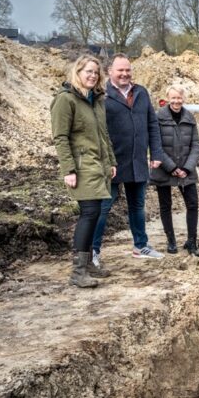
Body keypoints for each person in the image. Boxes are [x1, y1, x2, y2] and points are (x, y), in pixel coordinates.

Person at [91, 54, 166, 264]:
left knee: (137, 206)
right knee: (103, 207)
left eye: (127, 70)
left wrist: (156, 153)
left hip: (137, 160)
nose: (125, 74)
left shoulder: (141, 92)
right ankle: (92, 250)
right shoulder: (101, 95)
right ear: (110, 72)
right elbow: (97, 130)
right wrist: (104, 159)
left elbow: (152, 123)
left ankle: (140, 246)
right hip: (113, 162)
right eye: (120, 70)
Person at [50, 55, 117, 287]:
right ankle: (78, 272)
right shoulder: (65, 100)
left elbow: (103, 135)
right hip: (81, 165)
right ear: (77, 73)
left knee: (96, 212)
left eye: (96, 72)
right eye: (88, 71)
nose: (92, 76)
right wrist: (68, 168)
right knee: (89, 213)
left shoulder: (96, 100)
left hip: (98, 165)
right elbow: (60, 137)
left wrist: (111, 162)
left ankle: (87, 264)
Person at [149, 85, 199, 256]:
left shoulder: (190, 117)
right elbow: (156, 145)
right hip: (165, 169)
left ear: (183, 98)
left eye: (179, 98)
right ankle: (171, 240)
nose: (176, 101)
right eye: (173, 98)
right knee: (166, 205)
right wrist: (171, 167)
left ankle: (191, 241)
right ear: (167, 98)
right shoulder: (158, 117)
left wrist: (187, 168)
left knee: (193, 204)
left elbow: (196, 146)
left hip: (186, 168)